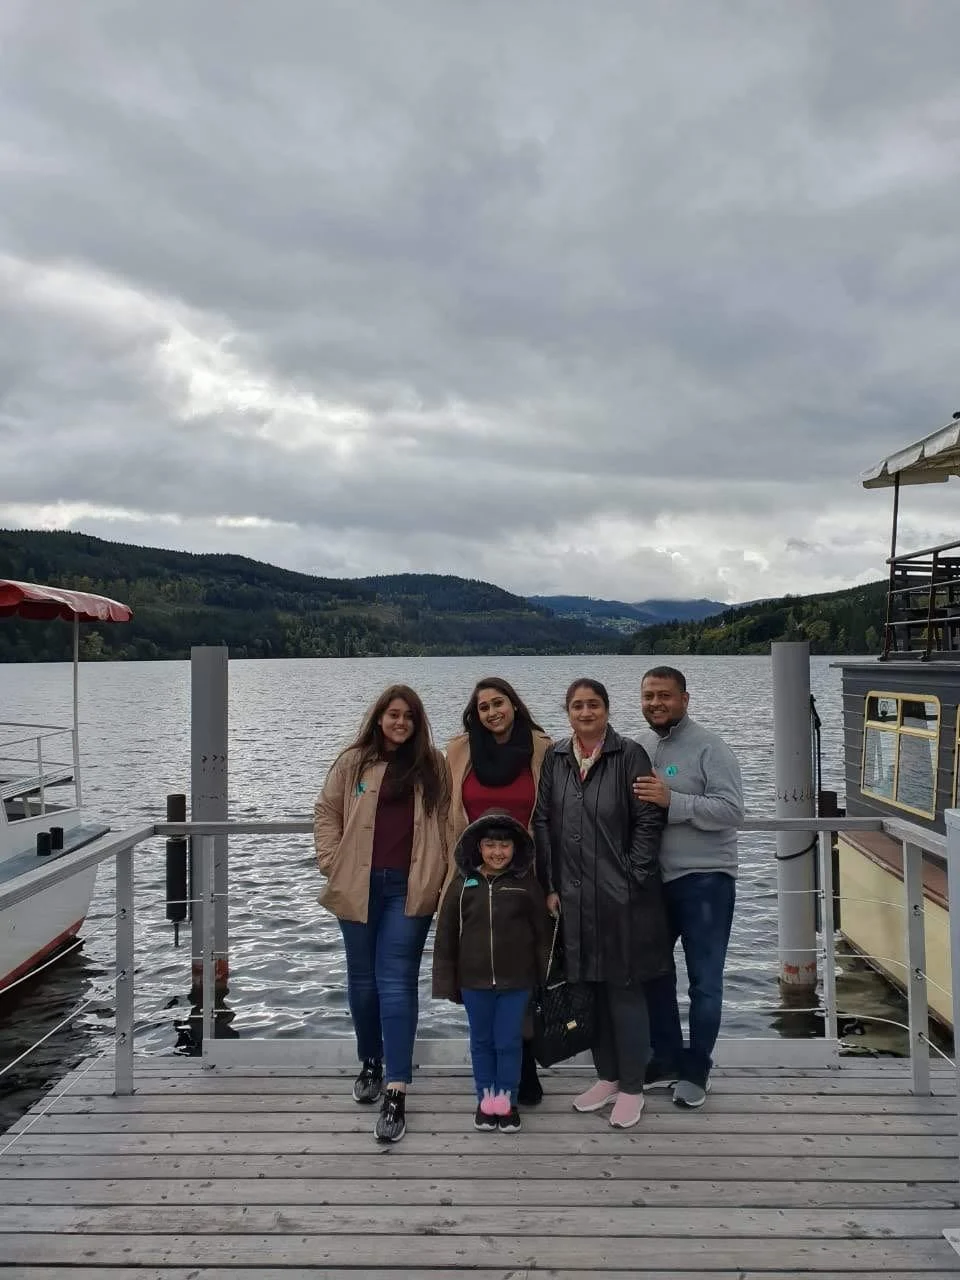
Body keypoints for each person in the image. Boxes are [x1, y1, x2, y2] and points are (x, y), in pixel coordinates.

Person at [532, 678, 671, 1129]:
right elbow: (543, 822)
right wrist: (550, 884)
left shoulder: (629, 755)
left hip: (623, 899)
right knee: (589, 990)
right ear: (567, 712)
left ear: (607, 710)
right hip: (571, 898)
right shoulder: (555, 758)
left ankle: (633, 1086)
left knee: (625, 991)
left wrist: (632, 876)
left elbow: (649, 819)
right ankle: (607, 1077)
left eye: (593, 705)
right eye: (577, 706)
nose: (585, 712)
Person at [314, 684, 450, 1144]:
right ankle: (369, 1061)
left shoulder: (434, 766)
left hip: (408, 890)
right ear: (379, 718)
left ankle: (397, 1087)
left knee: (395, 981)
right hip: (357, 884)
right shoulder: (352, 761)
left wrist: (443, 879)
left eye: (409, 717)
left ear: (417, 723)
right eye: (393, 715)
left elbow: (451, 824)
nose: (400, 723)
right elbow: (326, 811)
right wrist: (332, 862)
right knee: (362, 982)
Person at [633, 665, 744, 1110]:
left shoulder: (711, 748)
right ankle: (666, 1057)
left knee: (704, 983)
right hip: (653, 883)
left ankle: (697, 1069)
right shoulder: (639, 747)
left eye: (664, 695)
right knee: (653, 976)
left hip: (705, 881)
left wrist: (672, 802)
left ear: (684, 698)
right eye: (648, 696)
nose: (655, 703)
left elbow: (732, 810)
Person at [445, 677, 553, 1105]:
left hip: (529, 875)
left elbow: (556, 813)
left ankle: (525, 1066)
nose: (492, 712)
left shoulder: (543, 748)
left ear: (514, 705)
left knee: (524, 972)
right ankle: (494, 1074)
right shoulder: (459, 751)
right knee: (483, 969)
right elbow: (442, 810)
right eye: (483, 706)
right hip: (475, 877)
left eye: (499, 703)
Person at [432, 811, 552, 1133]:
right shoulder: (462, 885)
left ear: (516, 849)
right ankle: (486, 1101)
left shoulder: (527, 886)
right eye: (490, 845)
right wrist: (448, 979)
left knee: (509, 1042)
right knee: (482, 1041)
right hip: (474, 982)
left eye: (504, 846)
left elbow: (543, 936)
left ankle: (508, 1102)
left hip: (518, 982)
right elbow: (445, 935)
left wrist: (545, 978)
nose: (497, 853)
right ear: (478, 847)